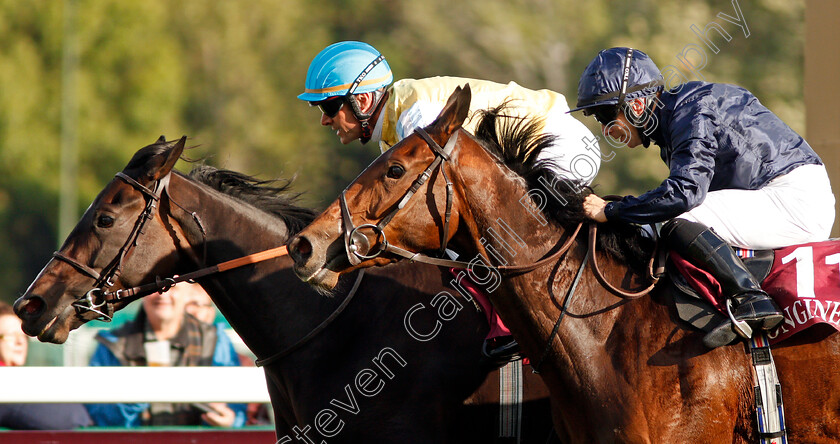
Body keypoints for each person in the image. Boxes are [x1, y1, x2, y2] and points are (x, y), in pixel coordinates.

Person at [299, 40, 603, 361]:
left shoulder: (414, 116)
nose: (324, 120)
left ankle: (518, 327)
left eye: (328, 107)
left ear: (361, 100)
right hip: (535, 148)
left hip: (559, 144)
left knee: (496, 237)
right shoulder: (394, 125)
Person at [572, 47, 835, 348]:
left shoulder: (690, 111)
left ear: (638, 104)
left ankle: (752, 300)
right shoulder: (677, 120)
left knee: (679, 218)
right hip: (785, 194)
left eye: (606, 114)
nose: (605, 128)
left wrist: (613, 210)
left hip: (793, 198)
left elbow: (685, 193)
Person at [86, 283, 246, 427]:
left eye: (171, 285)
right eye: (152, 287)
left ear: (187, 293)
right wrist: (133, 398)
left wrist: (230, 420)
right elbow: (100, 416)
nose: (163, 294)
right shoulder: (112, 344)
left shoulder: (215, 339)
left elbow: (237, 408)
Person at [0, 302, 93, 430]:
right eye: (11, 336)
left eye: (23, 336)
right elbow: (71, 418)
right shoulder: (8, 387)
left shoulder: (26, 383)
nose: (20, 341)